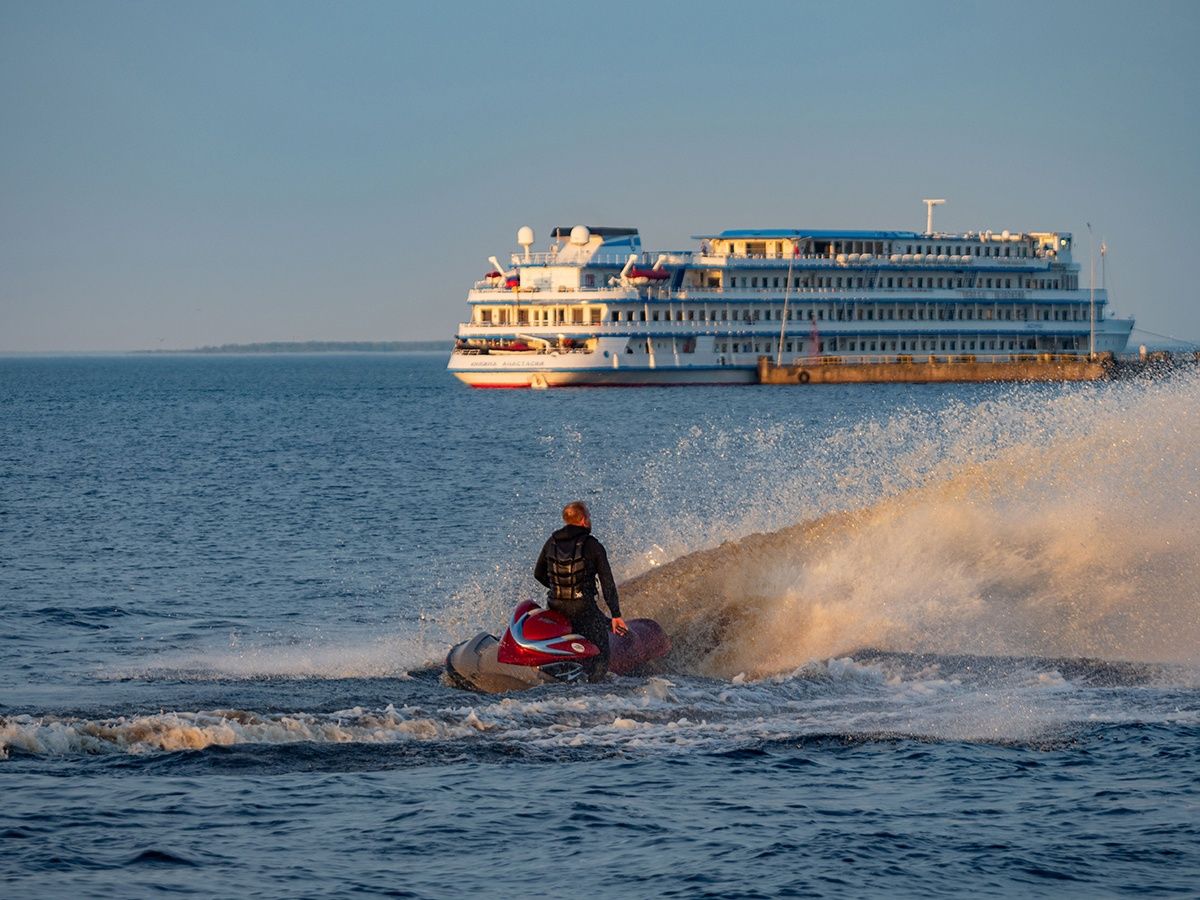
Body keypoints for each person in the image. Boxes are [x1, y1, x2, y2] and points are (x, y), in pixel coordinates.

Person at [534, 501, 628, 681]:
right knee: (601, 646)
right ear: (584, 520)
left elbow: (538, 574)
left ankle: (559, 673)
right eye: (589, 517)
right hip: (582, 608)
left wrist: (560, 589)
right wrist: (616, 614)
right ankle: (595, 683)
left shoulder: (551, 541)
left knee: (569, 637)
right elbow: (607, 582)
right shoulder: (593, 545)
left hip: (555, 607)